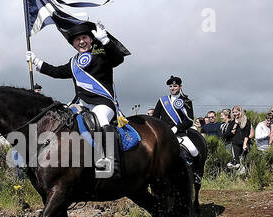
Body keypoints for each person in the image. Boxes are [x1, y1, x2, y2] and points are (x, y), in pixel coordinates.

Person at [28, 20, 130, 176]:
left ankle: (112, 162)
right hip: (82, 104)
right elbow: (56, 71)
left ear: (90, 39)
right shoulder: (73, 63)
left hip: (103, 102)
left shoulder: (101, 53)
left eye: (84, 38)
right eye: (77, 39)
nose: (81, 41)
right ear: (74, 44)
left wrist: (106, 41)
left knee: (101, 118)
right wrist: (36, 61)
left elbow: (118, 59)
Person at [152, 76, 200, 161]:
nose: (172, 88)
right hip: (164, 134)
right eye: (170, 86)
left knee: (194, 151)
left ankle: (196, 173)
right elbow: (154, 118)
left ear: (180, 87)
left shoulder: (186, 101)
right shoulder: (162, 101)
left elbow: (189, 121)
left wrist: (176, 128)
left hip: (180, 133)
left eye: (175, 86)